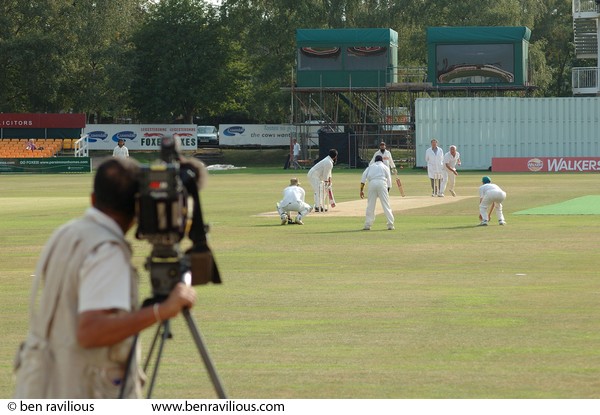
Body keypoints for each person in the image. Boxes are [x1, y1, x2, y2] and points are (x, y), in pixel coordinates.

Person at [13, 158, 197, 398]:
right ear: (138, 206)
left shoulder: (67, 232)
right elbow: (91, 332)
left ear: (93, 199)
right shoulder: (106, 251)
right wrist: (161, 310)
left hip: (42, 387)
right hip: (81, 391)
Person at [360, 154, 395, 230]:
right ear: (382, 161)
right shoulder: (385, 167)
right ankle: (390, 224)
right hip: (382, 183)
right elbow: (389, 180)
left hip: (372, 184)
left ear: (375, 160)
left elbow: (363, 177)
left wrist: (361, 190)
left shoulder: (370, 167)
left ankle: (367, 225)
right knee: (386, 205)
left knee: (370, 205)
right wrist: (388, 190)